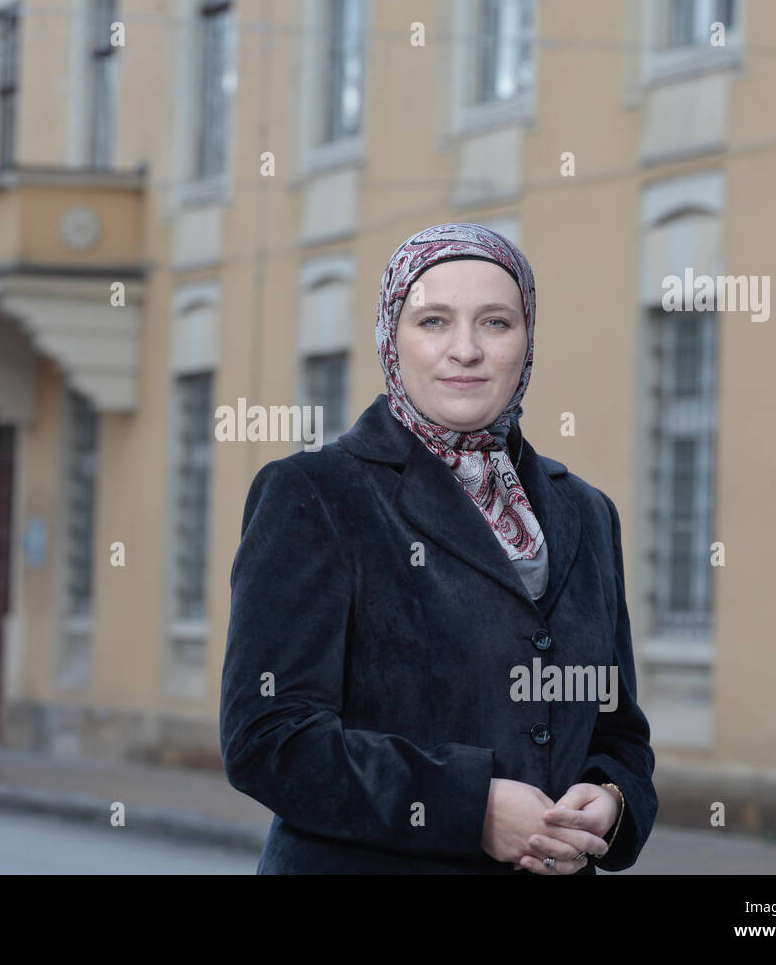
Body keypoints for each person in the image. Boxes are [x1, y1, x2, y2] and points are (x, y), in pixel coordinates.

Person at [219, 222, 657, 874]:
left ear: (527, 339)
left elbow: (615, 725)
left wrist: (610, 798)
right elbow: (269, 738)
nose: (466, 349)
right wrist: (470, 805)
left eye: (495, 322)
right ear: (391, 341)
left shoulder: (586, 513)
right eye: (433, 321)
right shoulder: (316, 494)